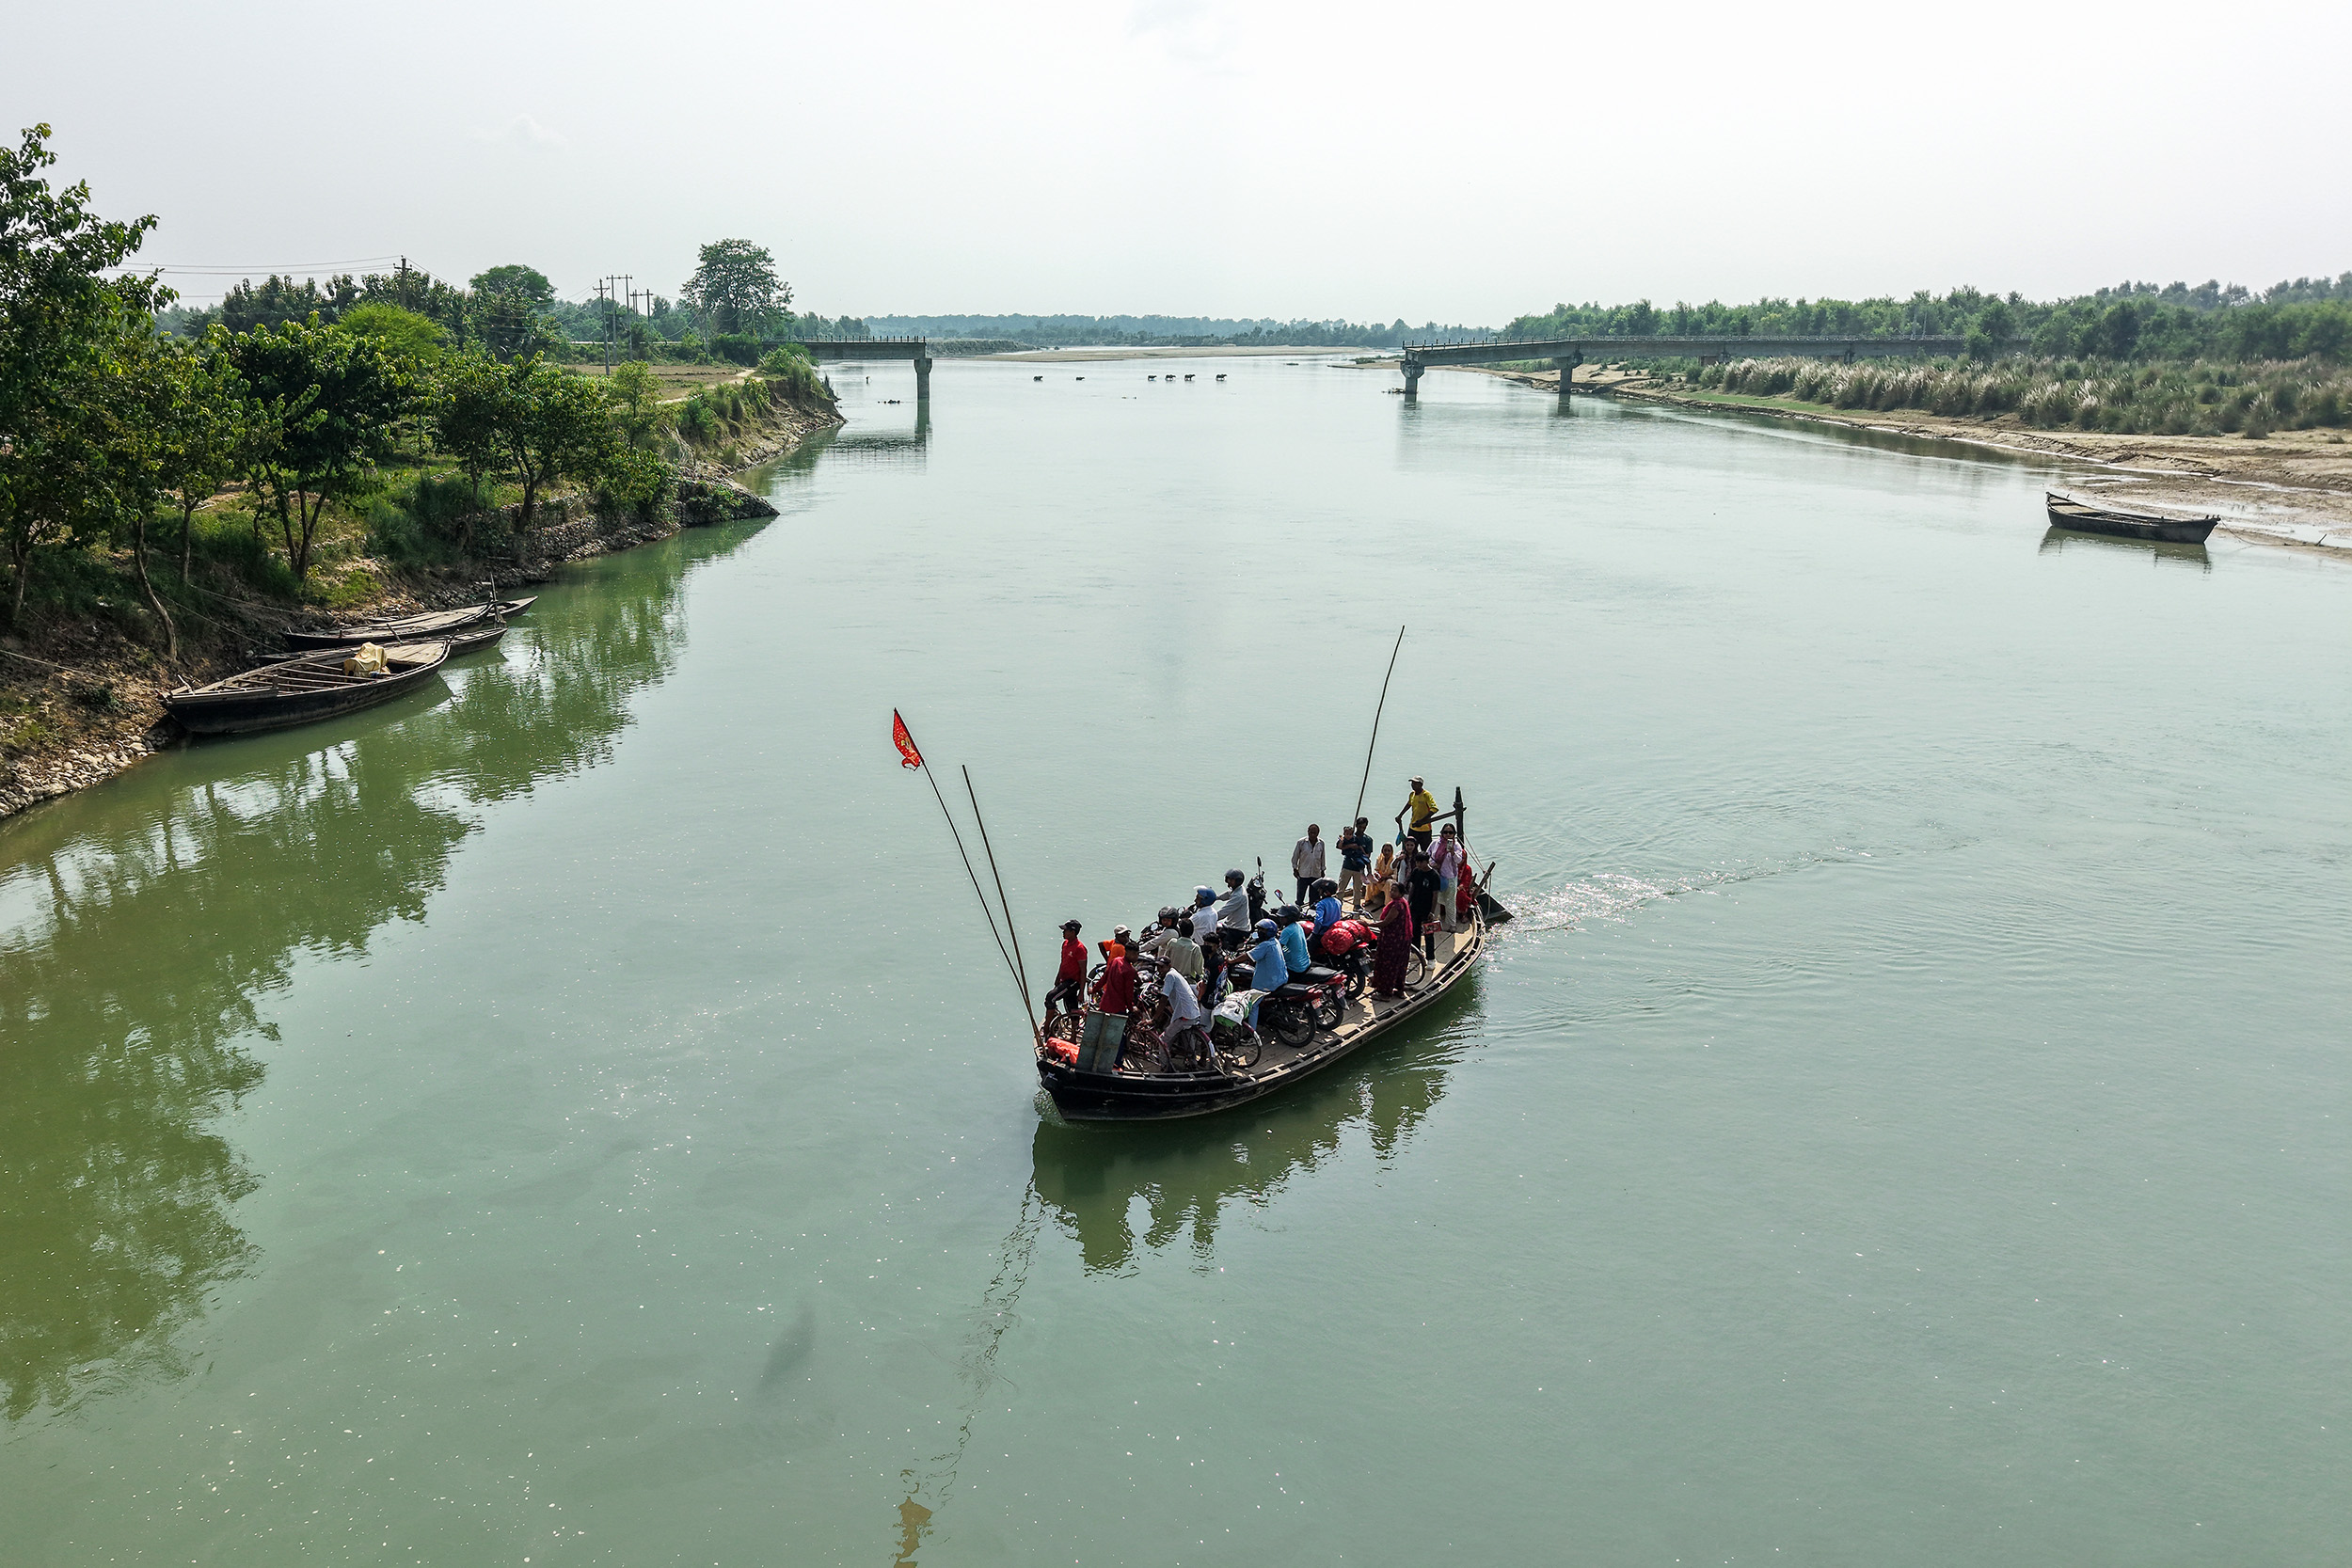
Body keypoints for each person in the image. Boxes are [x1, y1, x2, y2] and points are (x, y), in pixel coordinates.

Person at [1079, 939, 1136, 1072]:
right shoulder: (1129, 970)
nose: (1136, 957)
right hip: (1118, 1008)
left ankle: (1094, 1058)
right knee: (1119, 1036)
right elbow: (1129, 993)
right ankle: (1117, 1063)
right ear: (1128, 953)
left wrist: (1095, 988)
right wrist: (1131, 1007)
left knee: (1102, 1032)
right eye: (1135, 954)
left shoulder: (1116, 961)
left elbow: (1104, 977)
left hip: (1106, 1003)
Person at [1160, 959, 1213, 1069]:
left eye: (1162, 967)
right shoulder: (1176, 973)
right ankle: (1193, 1062)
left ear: (1169, 966)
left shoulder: (1170, 975)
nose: (1159, 970)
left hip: (1184, 1015)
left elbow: (1164, 997)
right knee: (1187, 1035)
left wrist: (1155, 1019)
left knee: (1163, 1040)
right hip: (1193, 1013)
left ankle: (1165, 1066)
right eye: (1158, 967)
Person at [1372, 882, 1414, 997]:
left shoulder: (1396, 906)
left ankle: (1385, 994)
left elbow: (1386, 922)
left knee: (1388, 965)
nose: (1391, 892)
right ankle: (1399, 990)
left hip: (1393, 940)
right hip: (1403, 939)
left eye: (1394, 890)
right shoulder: (1403, 903)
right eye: (1391, 890)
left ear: (1400, 893)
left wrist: (1368, 924)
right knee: (1400, 965)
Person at [1406, 847, 1444, 961]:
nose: (1418, 864)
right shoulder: (1416, 871)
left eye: (1421, 862)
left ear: (1427, 862)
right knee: (1415, 931)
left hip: (1427, 908)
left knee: (1428, 934)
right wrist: (1408, 903)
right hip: (1415, 906)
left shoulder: (1434, 876)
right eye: (1417, 862)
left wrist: (1432, 912)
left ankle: (1431, 959)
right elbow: (1412, 887)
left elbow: (1435, 895)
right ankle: (1415, 953)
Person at [1248, 919, 1289, 1025]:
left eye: (1262, 930)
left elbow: (1248, 956)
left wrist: (1231, 961)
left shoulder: (1265, 945)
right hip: (1281, 978)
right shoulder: (1275, 942)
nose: (1259, 932)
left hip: (1269, 983)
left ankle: (1251, 1034)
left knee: (1252, 1004)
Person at [1046, 919, 1088, 1020]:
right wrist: (1058, 978)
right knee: (1071, 1007)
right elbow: (1063, 963)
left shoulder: (1080, 948)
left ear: (1072, 932)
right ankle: (1074, 1032)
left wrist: (1081, 992)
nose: (1063, 932)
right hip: (1064, 980)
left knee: (1050, 997)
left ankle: (1047, 1026)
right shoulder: (1065, 944)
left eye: (1065, 930)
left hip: (1073, 982)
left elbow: (1083, 971)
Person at [1431, 823, 1467, 934]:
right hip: (1436, 875)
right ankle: (1434, 922)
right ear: (1442, 833)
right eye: (1445, 832)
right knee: (1435, 900)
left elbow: (1458, 860)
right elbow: (1429, 856)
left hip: (1450, 876)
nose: (1447, 835)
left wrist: (1452, 852)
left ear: (1454, 834)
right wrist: (1433, 864)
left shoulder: (1456, 846)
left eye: (1450, 832)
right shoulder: (1435, 843)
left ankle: (1452, 924)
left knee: (1450, 901)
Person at [1336, 817, 1374, 907]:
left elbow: (1368, 855)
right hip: (1347, 866)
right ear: (1356, 826)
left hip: (1358, 868)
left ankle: (1357, 906)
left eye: (1364, 827)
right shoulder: (1348, 837)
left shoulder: (1368, 840)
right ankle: (1337, 905)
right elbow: (1339, 847)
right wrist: (1350, 845)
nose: (1362, 829)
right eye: (1360, 827)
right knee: (1341, 887)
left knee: (1357, 888)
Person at [1162, 914, 1205, 988]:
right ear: (1192, 931)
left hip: (1171, 979)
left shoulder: (1172, 942)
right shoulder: (1195, 948)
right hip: (1187, 982)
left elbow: (1165, 960)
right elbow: (1199, 970)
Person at [1400, 776, 1438, 852]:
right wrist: (1400, 815)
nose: (1413, 785)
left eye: (1415, 783)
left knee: (1426, 850)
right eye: (1412, 783)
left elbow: (1434, 809)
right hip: (1413, 827)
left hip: (1425, 829)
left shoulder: (1426, 795)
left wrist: (1422, 821)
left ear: (1420, 785)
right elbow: (1409, 804)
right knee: (1409, 849)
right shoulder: (1412, 794)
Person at [1291, 824, 1326, 905]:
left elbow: (1323, 857)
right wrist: (1294, 868)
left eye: (1315, 833)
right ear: (1308, 832)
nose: (1313, 835)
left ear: (1318, 833)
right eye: (1311, 833)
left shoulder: (1321, 843)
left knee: (1315, 898)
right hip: (1303, 874)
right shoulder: (1301, 843)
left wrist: (1323, 870)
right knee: (1300, 897)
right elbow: (1295, 856)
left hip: (1316, 874)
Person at [1216, 870, 1251, 947]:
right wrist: (1216, 898)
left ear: (1238, 881)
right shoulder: (1238, 889)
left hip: (1238, 930)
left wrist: (1210, 917)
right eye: (1228, 879)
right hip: (1233, 925)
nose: (1229, 881)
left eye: (1231, 880)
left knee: (1220, 944)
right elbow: (1228, 894)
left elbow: (1224, 912)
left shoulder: (1239, 896)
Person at [1276, 905, 1311, 975]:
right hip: (1306, 963)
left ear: (1290, 918)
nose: (1281, 919)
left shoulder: (1287, 931)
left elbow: (1278, 948)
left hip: (1295, 968)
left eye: (1283, 917)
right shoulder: (1298, 926)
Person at [1366, 842, 1397, 910]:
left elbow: (1395, 875)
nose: (1386, 852)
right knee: (1370, 878)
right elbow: (1376, 870)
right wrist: (1377, 875)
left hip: (1389, 881)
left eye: (1389, 851)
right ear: (1382, 851)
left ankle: (1387, 904)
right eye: (1385, 850)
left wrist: (1386, 877)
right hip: (1380, 880)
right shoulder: (1379, 858)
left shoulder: (1394, 861)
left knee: (1389, 882)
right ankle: (1368, 899)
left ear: (1392, 852)